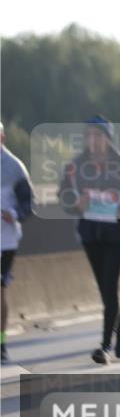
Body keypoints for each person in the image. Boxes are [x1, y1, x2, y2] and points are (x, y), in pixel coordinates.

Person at [58, 116, 120, 364]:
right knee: (104, 289)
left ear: (108, 138)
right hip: (90, 233)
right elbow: (64, 195)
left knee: (111, 287)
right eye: (90, 135)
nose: (94, 140)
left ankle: (105, 346)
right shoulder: (76, 165)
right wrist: (74, 203)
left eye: (99, 135)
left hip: (115, 234)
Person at [1, 123, 33, 365]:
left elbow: (27, 204)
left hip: (5, 239)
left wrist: (14, 213)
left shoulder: (14, 167)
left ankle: (1, 343)